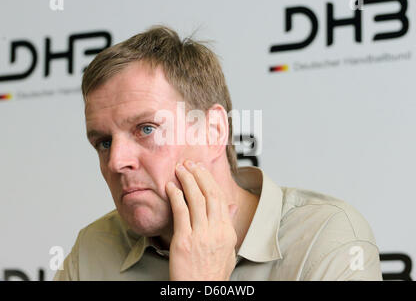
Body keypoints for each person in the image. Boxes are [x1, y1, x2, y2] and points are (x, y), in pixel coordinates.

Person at [53, 25, 382, 281]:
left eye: (146, 129)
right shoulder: (93, 248)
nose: (116, 161)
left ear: (213, 132)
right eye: (103, 142)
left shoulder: (324, 238)